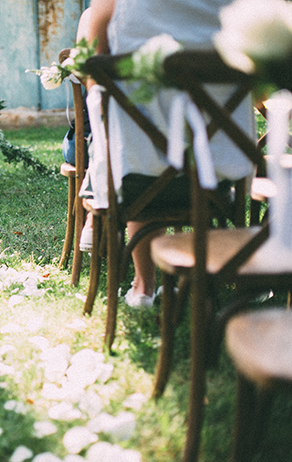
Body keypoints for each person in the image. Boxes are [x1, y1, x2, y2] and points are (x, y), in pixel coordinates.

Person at [85, 0, 255, 307]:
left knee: (140, 147)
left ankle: (144, 286)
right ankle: (218, 279)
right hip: (217, 174)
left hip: (137, 176)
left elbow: (92, 52)